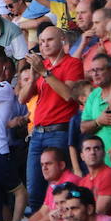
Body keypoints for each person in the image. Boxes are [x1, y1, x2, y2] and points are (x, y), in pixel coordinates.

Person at [20, 26, 84, 209]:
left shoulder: (73, 63)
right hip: (37, 132)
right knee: (34, 190)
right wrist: (33, 77)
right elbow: (22, 98)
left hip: (59, 131)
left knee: (59, 187)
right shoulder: (43, 66)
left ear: (62, 40)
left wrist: (45, 73)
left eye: (49, 40)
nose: (44, 45)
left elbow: (69, 95)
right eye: (41, 41)